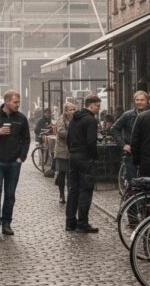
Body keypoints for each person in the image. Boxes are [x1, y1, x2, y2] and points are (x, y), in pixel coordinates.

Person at [0, 90, 30, 237]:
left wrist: (21, 157)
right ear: (7, 101)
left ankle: (6, 224)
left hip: (14, 162)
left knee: (10, 195)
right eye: (15, 102)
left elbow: (26, 139)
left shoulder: (21, 118)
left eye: (18, 102)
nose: (18, 104)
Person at [65, 94, 101, 233]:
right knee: (85, 189)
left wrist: (72, 151)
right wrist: (94, 157)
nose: (98, 109)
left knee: (73, 190)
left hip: (73, 156)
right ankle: (82, 223)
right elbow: (91, 142)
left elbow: (68, 138)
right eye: (97, 106)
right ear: (91, 105)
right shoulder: (91, 120)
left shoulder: (75, 118)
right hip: (85, 157)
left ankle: (70, 222)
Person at [110, 91, 149, 183]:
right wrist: (123, 145)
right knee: (132, 180)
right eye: (137, 100)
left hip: (147, 151)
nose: (139, 102)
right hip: (132, 151)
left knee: (148, 180)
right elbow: (114, 129)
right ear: (134, 101)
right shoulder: (127, 115)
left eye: (142, 100)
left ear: (147, 101)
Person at [53, 102, 75, 204]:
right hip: (62, 151)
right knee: (62, 173)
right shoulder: (61, 119)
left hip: (70, 151)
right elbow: (61, 132)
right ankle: (61, 195)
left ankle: (70, 195)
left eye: (73, 109)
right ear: (66, 110)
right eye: (70, 110)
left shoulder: (74, 119)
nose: (72, 111)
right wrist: (73, 134)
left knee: (71, 174)